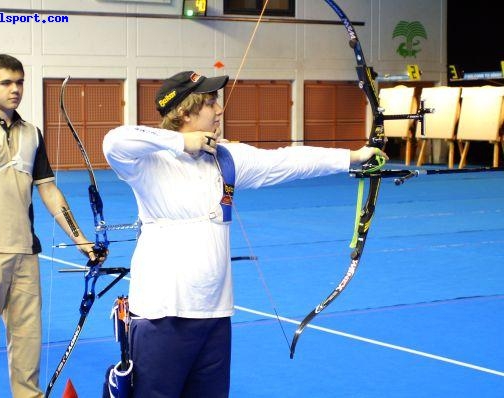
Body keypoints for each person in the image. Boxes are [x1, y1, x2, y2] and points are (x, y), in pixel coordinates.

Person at [102, 70, 385, 398]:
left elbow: (289, 161)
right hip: (162, 315)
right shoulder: (149, 161)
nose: (219, 109)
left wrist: (351, 158)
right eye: (210, 103)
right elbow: (114, 140)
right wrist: (182, 142)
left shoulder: (225, 158)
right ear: (184, 112)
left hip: (215, 315)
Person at [0, 54, 103, 397]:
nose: (15, 89)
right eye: (6, 83)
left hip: (25, 256)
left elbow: (48, 190)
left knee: (28, 354)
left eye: (19, 82)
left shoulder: (32, 133)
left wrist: (82, 241)